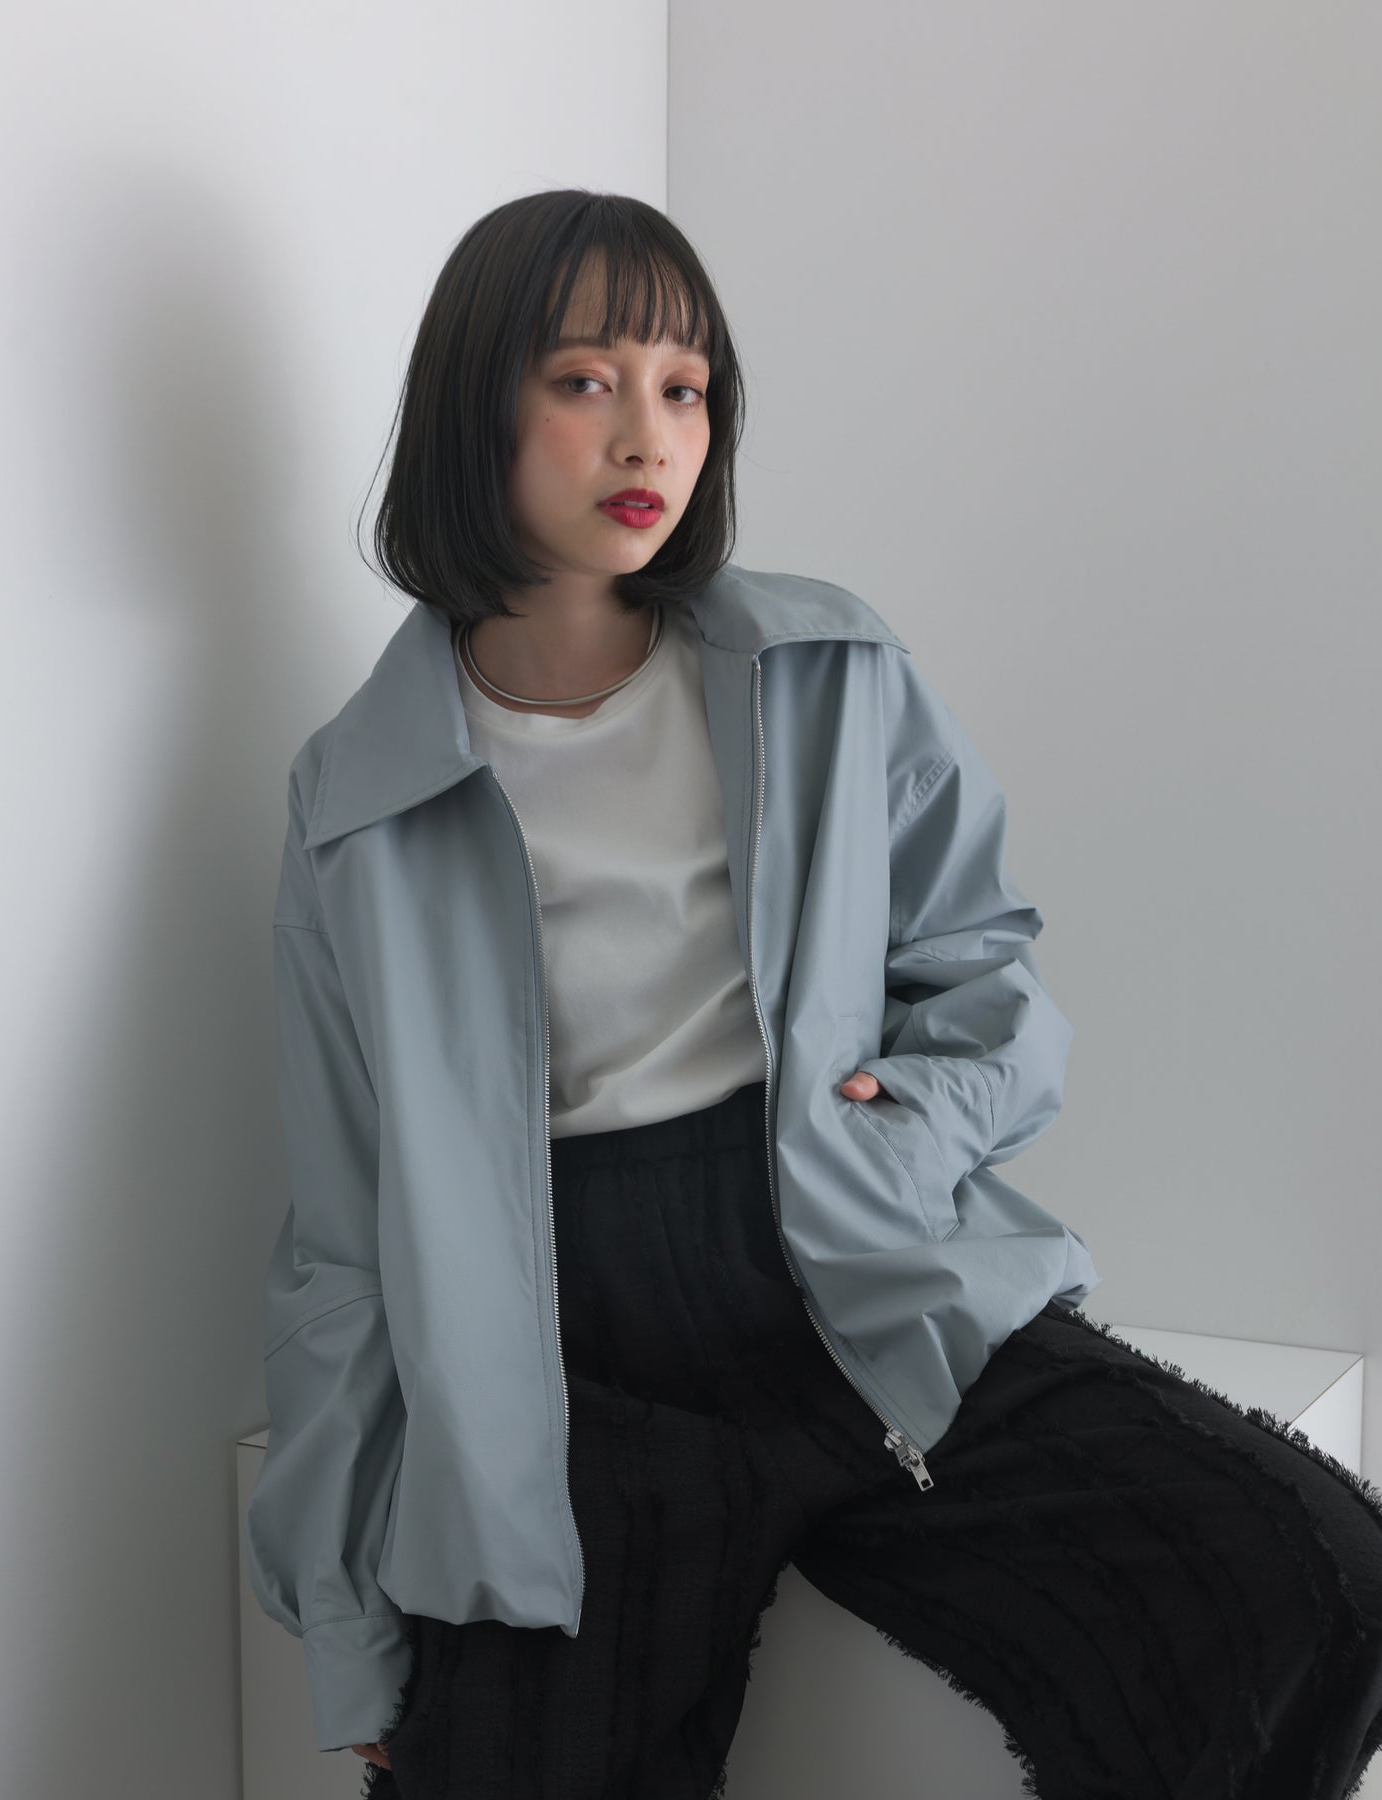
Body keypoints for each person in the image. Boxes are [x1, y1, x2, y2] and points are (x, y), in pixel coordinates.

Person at [244, 189, 1382, 1799]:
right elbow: (343, 1241)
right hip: (567, 1372)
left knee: (1319, 1579)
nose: (645, 435)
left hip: (851, 1276)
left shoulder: (824, 673)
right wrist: (347, 1615)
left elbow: (986, 972)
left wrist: (895, 1135)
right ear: (468, 408)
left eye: (684, 387)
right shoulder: (354, 801)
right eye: (582, 381)